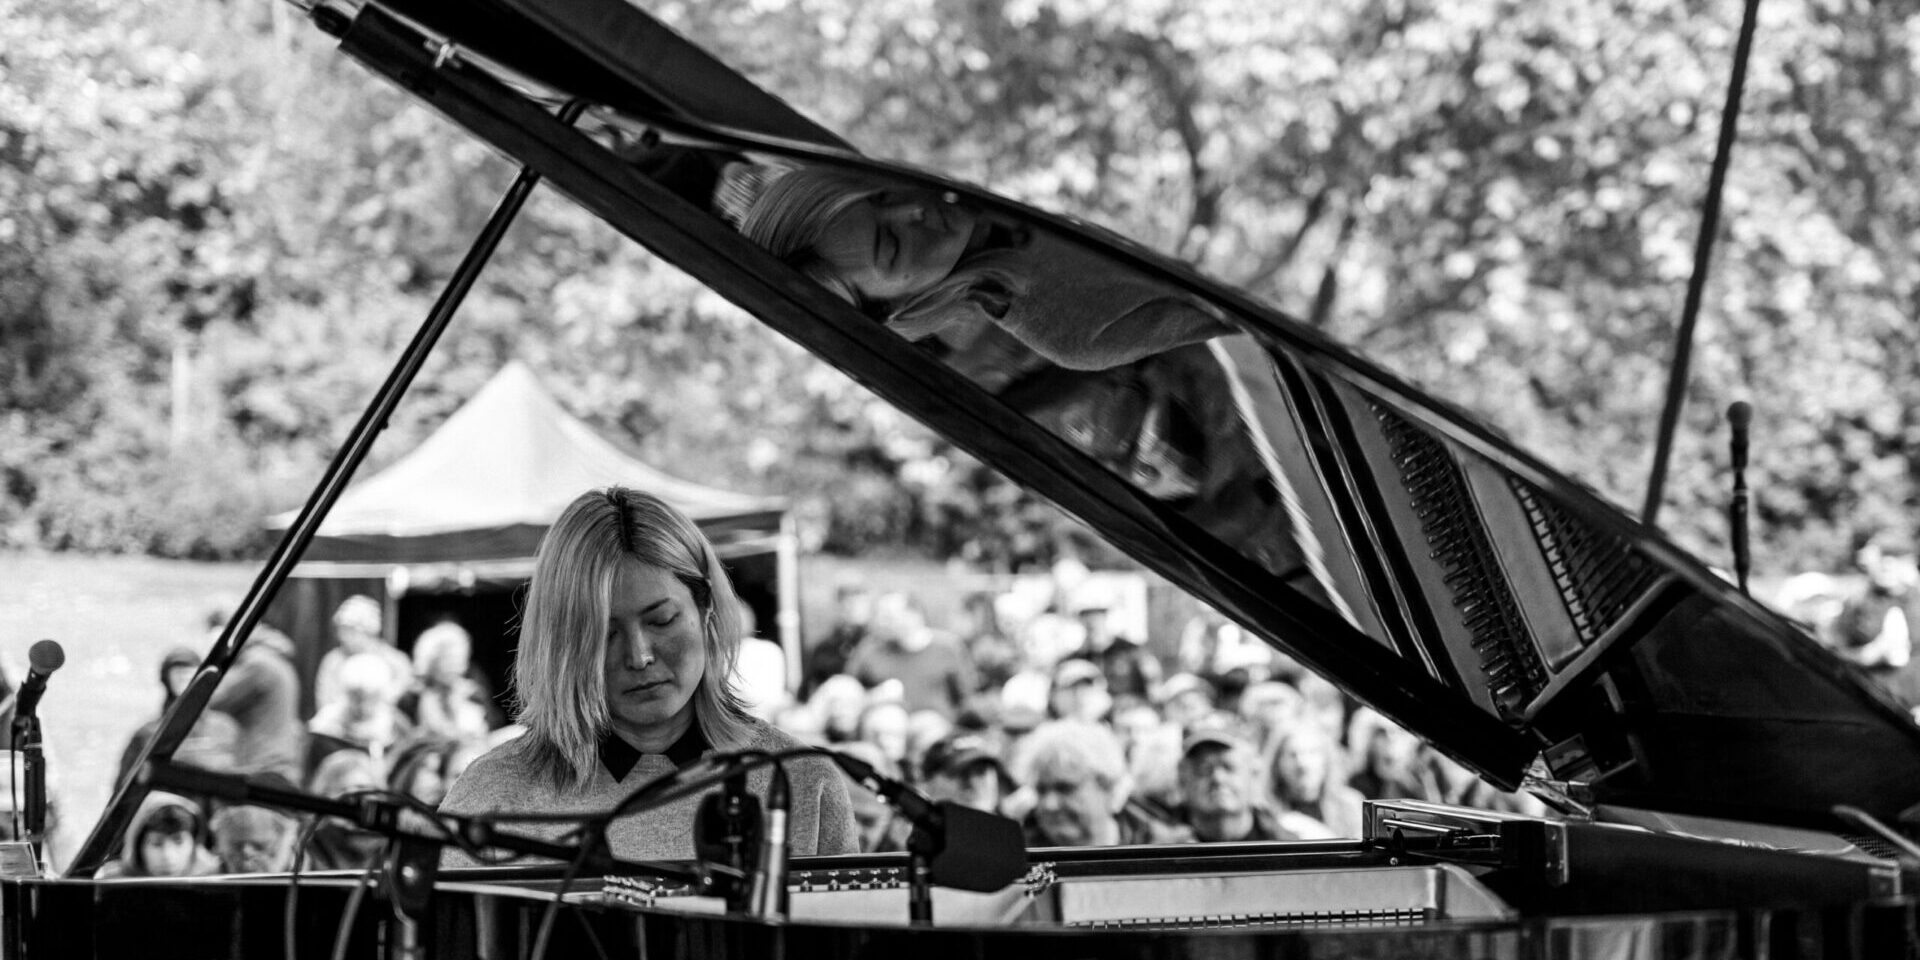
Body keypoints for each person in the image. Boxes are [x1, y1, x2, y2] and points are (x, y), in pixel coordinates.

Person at [438, 487, 856, 860]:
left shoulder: (802, 782)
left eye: (662, 621)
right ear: (563, 643)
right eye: (605, 634)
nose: (639, 656)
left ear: (706, 609)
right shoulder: (492, 796)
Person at [739, 166, 1236, 374]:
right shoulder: (1069, 327)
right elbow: (1243, 305)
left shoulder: (985, 160)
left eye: (883, 196)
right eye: (891, 244)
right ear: (895, 306)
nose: (913, 210)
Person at [1014, 720, 1190, 847]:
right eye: (1041, 790)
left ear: (1107, 785)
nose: (1050, 804)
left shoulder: (1165, 853)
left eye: (1065, 788)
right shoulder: (1018, 863)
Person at [844, 593, 977, 718]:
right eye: (879, 616)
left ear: (914, 616)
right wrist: (874, 697)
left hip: (935, 724)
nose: (881, 622)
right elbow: (846, 693)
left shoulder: (948, 647)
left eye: (889, 617)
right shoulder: (871, 648)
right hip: (884, 723)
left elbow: (967, 697)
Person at [1174, 721, 1294, 843]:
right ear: (1183, 780)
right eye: (1204, 769)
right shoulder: (1164, 845)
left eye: (1229, 767)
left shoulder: (1288, 847)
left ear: (1253, 775)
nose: (1218, 778)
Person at [401, 620, 500, 745]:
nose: (454, 665)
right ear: (430, 660)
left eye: (458, 658)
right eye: (447, 658)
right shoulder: (412, 698)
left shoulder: (474, 695)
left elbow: (488, 731)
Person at [308, 652, 413, 767]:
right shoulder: (326, 727)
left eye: (371, 699)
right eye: (357, 698)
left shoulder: (395, 728)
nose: (363, 707)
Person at [1266, 722, 1365, 838]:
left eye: (1311, 753)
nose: (1302, 764)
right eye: (1293, 755)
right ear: (1277, 763)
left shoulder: (1350, 805)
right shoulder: (1265, 811)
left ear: (1326, 760)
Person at [314, 595, 413, 710]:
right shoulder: (332, 662)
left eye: (350, 630)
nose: (342, 637)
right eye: (340, 630)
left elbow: (402, 700)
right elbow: (325, 703)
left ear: (369, 631)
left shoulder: (397, 662)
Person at [97, 792, 222, 879]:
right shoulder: (113, 883)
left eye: (179, 842)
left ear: (194, 843)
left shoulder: (217, 879)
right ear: (138, 847)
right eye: (156, 843)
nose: (168, 856)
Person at [918, 732, 1012, 814]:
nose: (972, 784)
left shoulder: (1012, 826)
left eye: (981, 772)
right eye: (962, 773)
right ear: (930, 780)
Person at [210, 803, 297, 874]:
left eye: (259, 847)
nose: (247, 854)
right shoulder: (208, 880)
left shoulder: (303, 878)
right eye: (236, 846)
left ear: (288, 843)